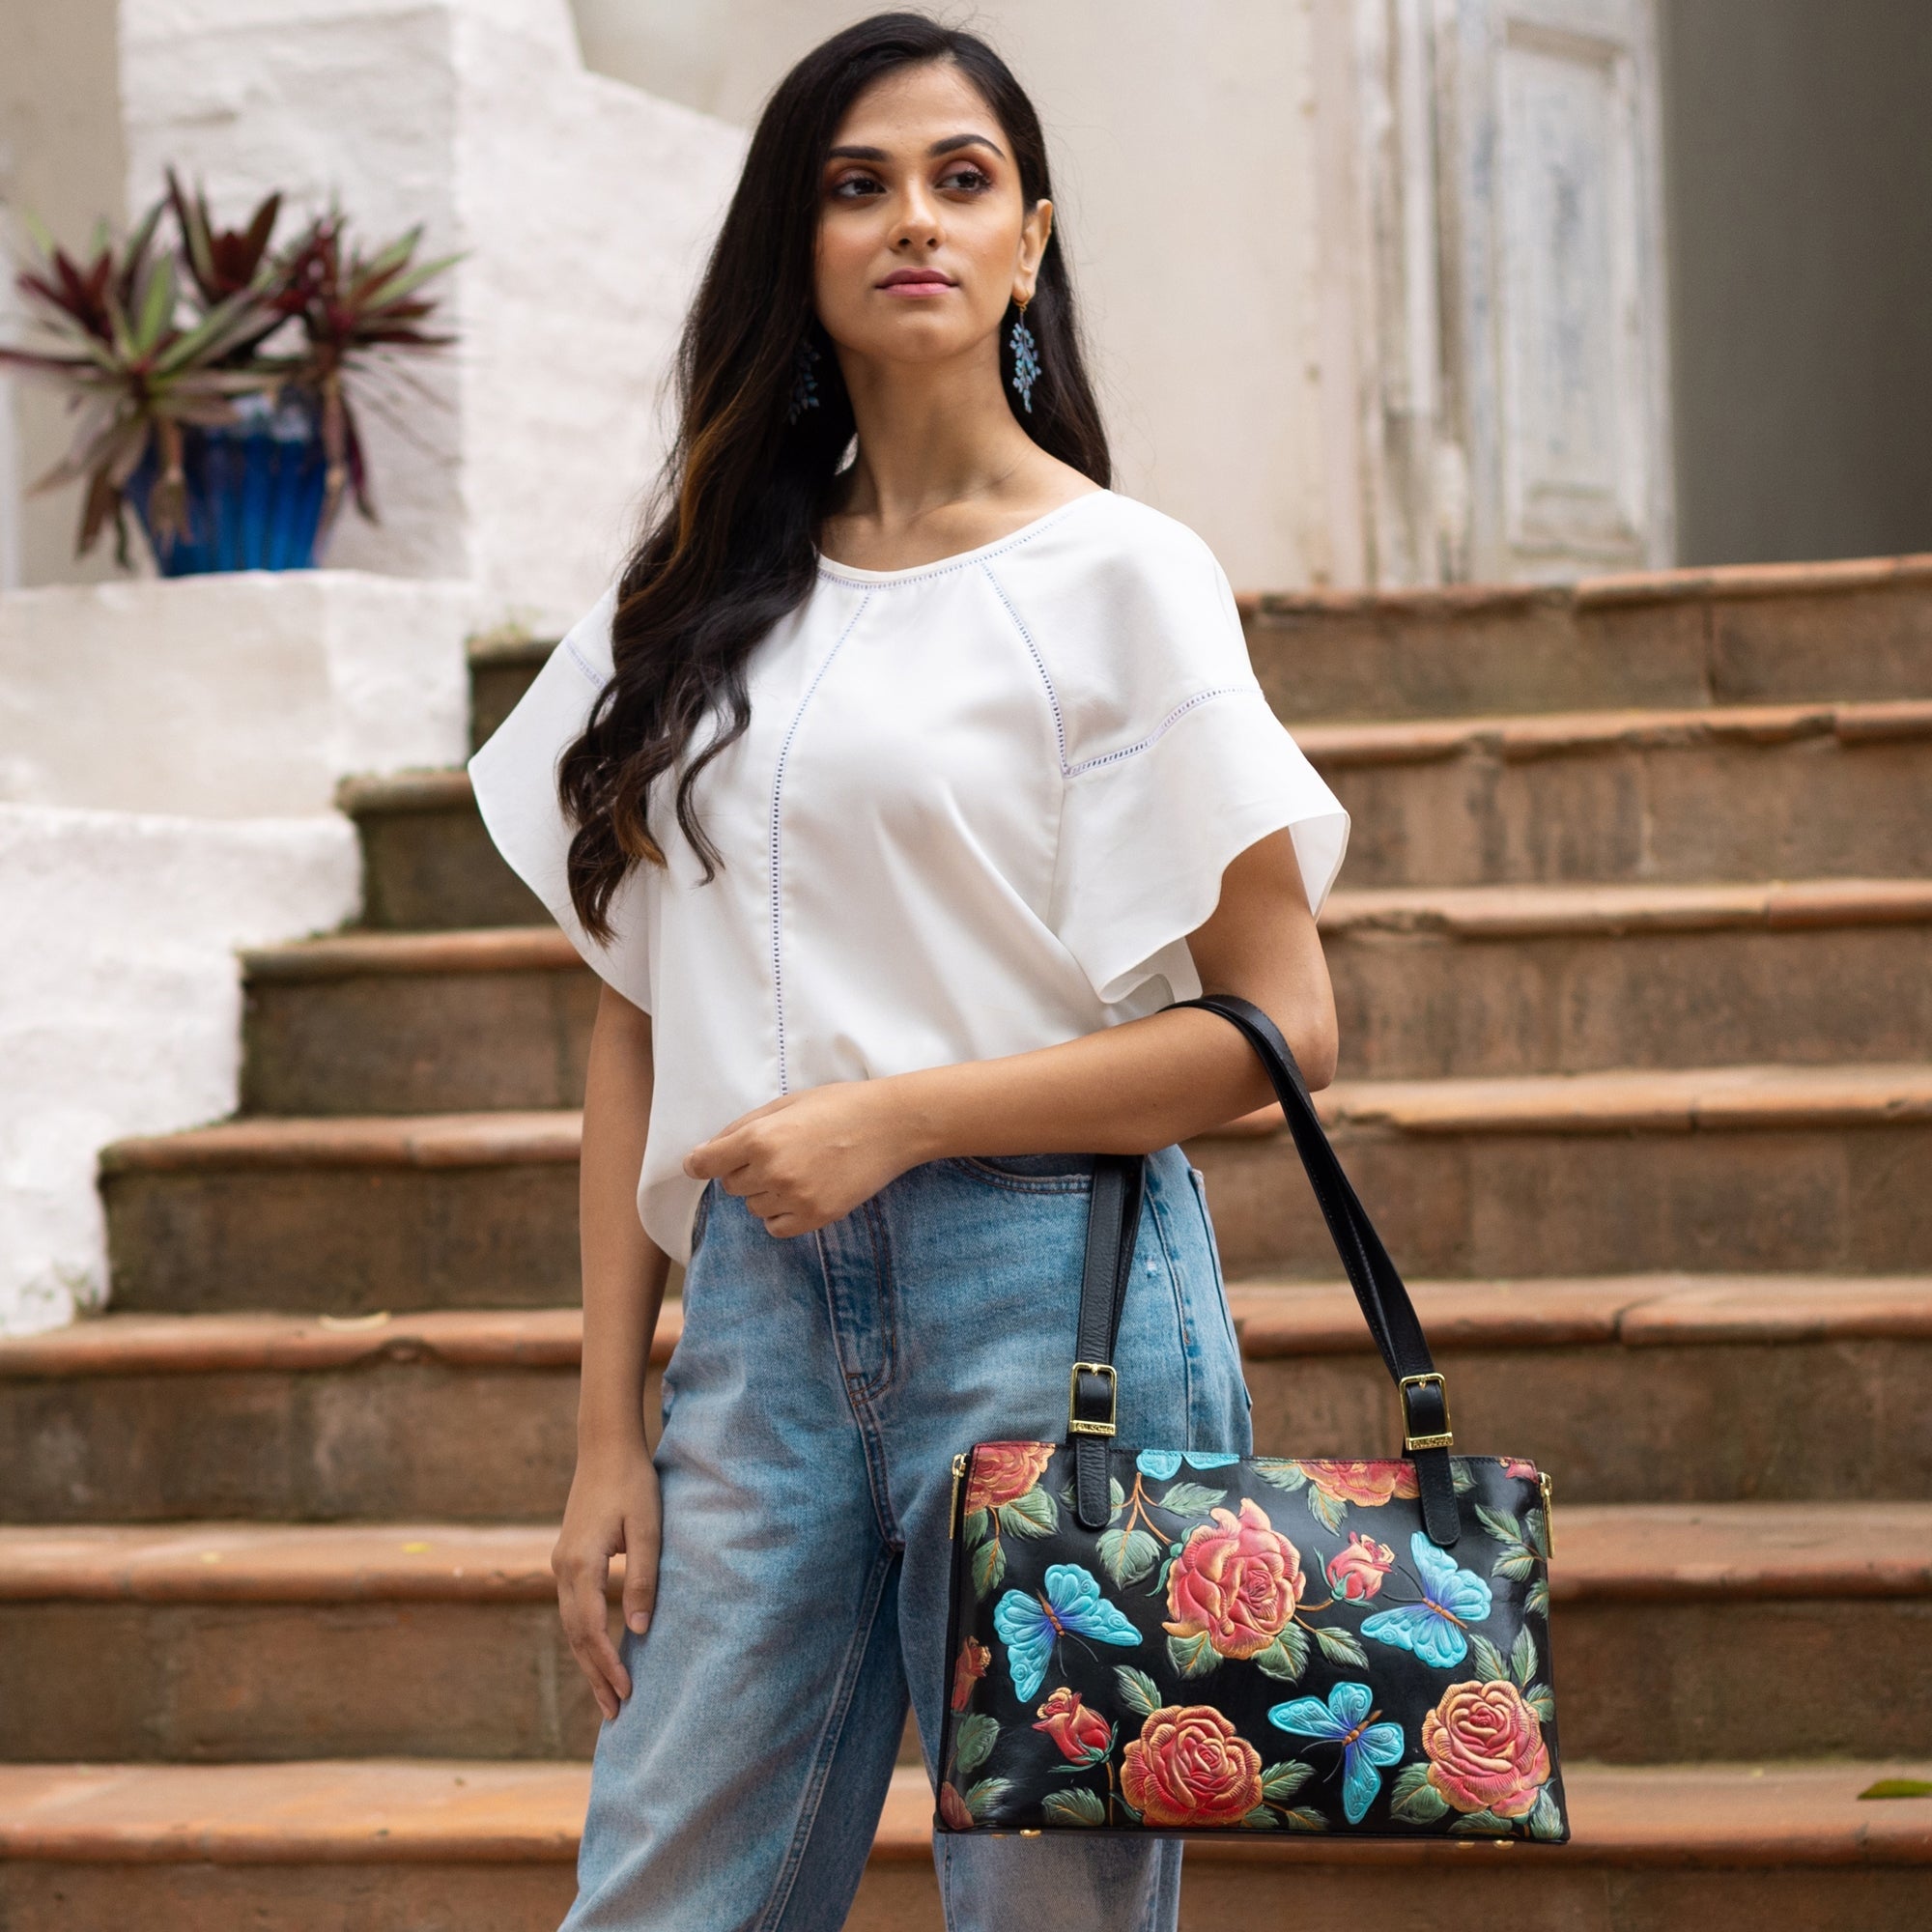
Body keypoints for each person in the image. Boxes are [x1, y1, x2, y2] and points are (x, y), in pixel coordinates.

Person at [469, 14, 1350, 1929]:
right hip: (759, 1328)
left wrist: (899, 1119)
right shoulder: (688, 602)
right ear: (794, 243)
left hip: (1063, 1303)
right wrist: (603, 1429)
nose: (911, 223)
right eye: (855, 186)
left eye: (960, 181)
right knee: (663, 1892)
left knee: (1044, 1903)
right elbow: (633, 1022)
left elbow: (1280, 1023)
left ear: (1032, 238)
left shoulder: (1125, 576)